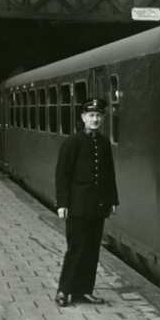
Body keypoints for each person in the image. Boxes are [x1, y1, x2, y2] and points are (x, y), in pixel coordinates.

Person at [54, 98, 119, 307]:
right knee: (77, 247)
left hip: (97, 207)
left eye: (99, 116)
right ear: (83, 118)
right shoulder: (72, 142)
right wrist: (62, 203)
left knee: (92, 249)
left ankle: (84, 291)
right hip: (77, 206)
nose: (95, 119)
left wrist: (112, 200)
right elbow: (62, 175)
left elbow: (109, 175)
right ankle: (64, 291)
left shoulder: (104, 143)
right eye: (91, 116)